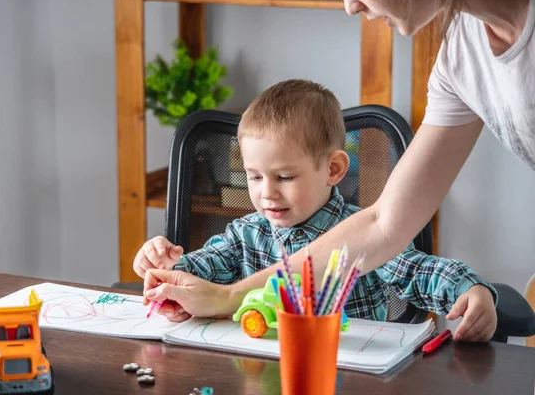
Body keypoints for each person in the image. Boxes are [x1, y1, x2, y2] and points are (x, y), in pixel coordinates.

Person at [135, 79, 498, 342]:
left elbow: (419, 271)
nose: (267, 193)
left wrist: (470, 289)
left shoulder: (358, 236)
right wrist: (166, 268)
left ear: (334, 170)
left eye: (285, 176)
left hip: (344, 372)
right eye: (255, 177)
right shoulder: (245, 233)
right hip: (257, 366)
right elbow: (199, 271)